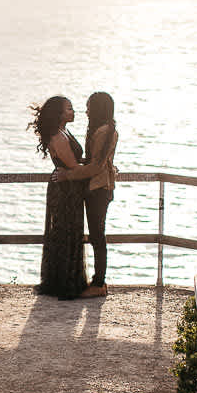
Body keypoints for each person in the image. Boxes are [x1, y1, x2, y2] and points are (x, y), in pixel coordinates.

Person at [29, 94, 88, 299]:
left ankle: (66, 280)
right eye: (69, 109)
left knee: (69, 231)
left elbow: (76, 162)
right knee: (65, 232)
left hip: (69, 187)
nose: (74, 111)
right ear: (59, 114)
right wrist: (99, 169)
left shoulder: (64, 131)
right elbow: (73, 166)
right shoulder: (58, 136)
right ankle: (64, 283)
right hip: (64, 189)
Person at [65, 91, 118, 296]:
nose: (86, 111)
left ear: (98, 109)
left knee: (97, 236)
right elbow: (98, 161)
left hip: (98, 187)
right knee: (97, 235)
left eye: (89, 107)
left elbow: (96, 166)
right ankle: (98, 282)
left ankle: (98, 283)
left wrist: (69, 174)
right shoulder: (104, 129)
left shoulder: (104, 131)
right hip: (100, 186)